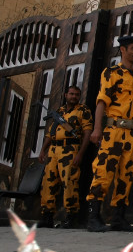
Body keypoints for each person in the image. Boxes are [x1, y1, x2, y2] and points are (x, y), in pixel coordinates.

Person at [87, 35, 133, 233]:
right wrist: (97, 128)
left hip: (132, 133)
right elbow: (102, 101)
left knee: (126, 175)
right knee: (103, 172)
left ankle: (118, 218)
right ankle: (94, 217)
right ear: (123, 50)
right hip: (114, 131)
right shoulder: (111, 73)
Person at [37, 86, 93, 229]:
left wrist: (80, 153)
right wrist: (43, 150)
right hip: (54, 150)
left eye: (77, 95)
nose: (74, 97)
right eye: (72, 94)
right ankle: (47, 216)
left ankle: (71, 216)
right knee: (48, 182)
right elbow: (51, 133)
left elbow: (87, 132)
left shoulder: (83, 110)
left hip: (70, 149)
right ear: (65, 94)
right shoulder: (59, 112)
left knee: (70, 181)